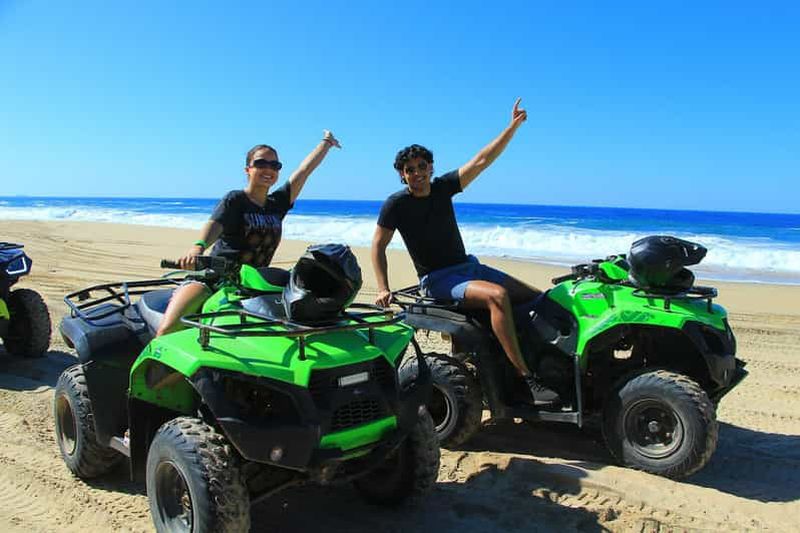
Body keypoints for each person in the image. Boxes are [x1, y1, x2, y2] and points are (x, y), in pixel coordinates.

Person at [371, 99, 558, 403]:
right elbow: (378, 245)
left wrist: (512, 127)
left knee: (540, 298)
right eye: (410, 170)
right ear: (402, 175)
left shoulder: (443, 187)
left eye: (422, 166)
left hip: (469, 267)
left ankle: (536, 358)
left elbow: (482, 160)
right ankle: (525, 378)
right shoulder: (396, 204)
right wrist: (382, 287)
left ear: (431, 167)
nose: (417, 173)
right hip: (437, 279)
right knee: (497, 296)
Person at [156, 130, 341, 337]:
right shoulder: (235, 199)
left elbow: (304, 171)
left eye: (275, 165)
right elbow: (216, 224)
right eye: (261, 163)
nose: (268, 169)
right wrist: (197, 247)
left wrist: (326, 143)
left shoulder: (277, 203)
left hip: (254, 285)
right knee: (169, 329)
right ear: (248, 169)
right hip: (213, 278)